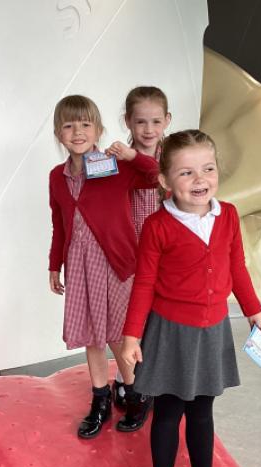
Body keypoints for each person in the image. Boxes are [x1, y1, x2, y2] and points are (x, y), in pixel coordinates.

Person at [121, 129, 261, 467]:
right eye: (186, 172)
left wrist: (254, 310)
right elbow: (144, 283)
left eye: (208, 169)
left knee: (202, 412)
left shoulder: (229, 215)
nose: (200, 179)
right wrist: (132, 335)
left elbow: (237, 266)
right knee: (168, 413)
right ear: (165, 181)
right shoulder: (157, 226)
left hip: (212, 330)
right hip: (170, 333)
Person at [47, 95, 160, 439]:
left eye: (85, 124)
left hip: (117, 264)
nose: (77, 132)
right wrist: (54, 265)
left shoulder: (114, 167)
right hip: (80, 267)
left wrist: (132, 156)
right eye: (69, 126)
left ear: (98, 130)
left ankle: (137, 392)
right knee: (92, 336)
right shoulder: (56, 177)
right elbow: (59, 224)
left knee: (118, 335)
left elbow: (156, 176)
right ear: (59, 133)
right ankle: (100, 400)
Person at [113, 86, 171, 432]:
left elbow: (156, 173)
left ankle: (154, 384)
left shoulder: (171, 157)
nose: (148, 129)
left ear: (167, 121)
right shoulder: (118, 159)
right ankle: (133, 383)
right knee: (128, 319)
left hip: (165, 252)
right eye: (140, 122)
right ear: (128, 122)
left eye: (155, 121)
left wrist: (133, 157)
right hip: (131, 250)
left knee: (159, 319)